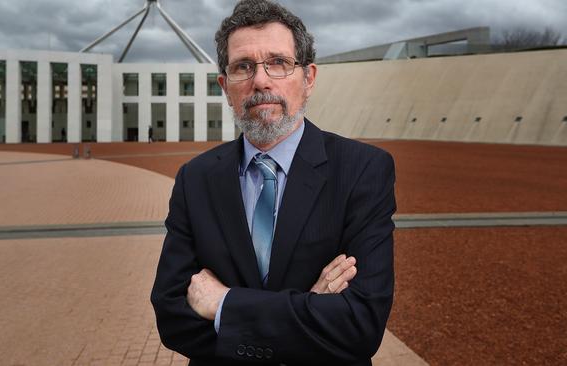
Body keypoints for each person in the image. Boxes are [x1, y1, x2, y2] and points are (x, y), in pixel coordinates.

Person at [151, 1, 396, 365]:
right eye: (243, 67)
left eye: (278, 63)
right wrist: (309, 309)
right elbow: (172, 317)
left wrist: (223, 304)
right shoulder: (196, 179)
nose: (260, 80)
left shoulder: (362, 170)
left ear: (308, 78)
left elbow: (360, 323)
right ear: (225, 85)